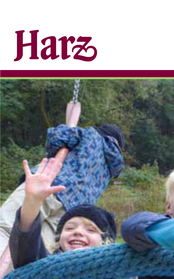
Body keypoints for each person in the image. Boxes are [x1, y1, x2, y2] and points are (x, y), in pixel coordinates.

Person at [0, 102, 124, 260]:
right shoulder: (111, 168)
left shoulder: (93, 136)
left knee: (6, 227)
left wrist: (70, 126)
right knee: (37, 249)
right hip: (69, 211)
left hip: (48, 186)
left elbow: (59, 138)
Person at [9, 157, 116, 270]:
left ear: (106, 241)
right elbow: (26, 244)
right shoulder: (43, 266)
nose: (78, 232)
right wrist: (33, 201)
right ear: (58, 240)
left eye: (90, 230)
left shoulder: (117, 270)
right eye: (69, 228)